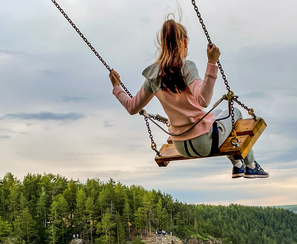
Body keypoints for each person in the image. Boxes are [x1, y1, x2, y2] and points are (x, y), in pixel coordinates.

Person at [110, 18, 268, 179]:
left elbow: (132, 107)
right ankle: (250, 165)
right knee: (234, 111)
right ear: (184, 42)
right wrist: (211, 63)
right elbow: (203, 100)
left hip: (180, 146)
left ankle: (238, 165)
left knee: (220, 112)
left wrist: (116, 87)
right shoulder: (186, 67)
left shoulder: (153, 77)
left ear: (162, 44)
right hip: (204, 142)